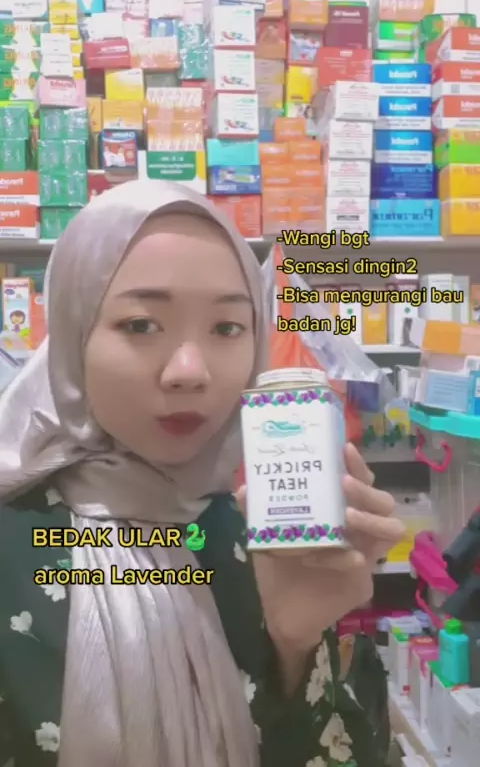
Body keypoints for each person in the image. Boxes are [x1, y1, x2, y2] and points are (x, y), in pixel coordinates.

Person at [0, 181, 404, 767]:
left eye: (227, 328)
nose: (190, 370)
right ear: (72, 334)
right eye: (141, 324)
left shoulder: (262, 534)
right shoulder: (14, 542)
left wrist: (298, 647)